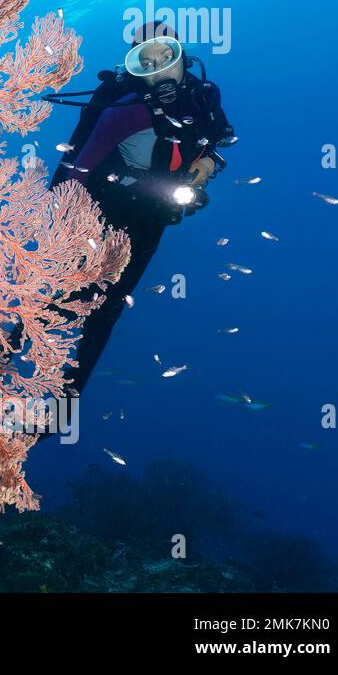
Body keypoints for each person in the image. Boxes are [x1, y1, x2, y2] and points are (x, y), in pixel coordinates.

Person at [44, 21, 236, 396]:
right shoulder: (125, 111)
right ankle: (8, 354)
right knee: (64, 291)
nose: (160, 68)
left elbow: (216, 142)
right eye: (145, 61)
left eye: (167, 55)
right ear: (133, 68)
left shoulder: (205, 97)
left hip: (153, 215)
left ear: (183, 55)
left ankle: (67, 399)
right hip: (105, 208)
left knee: (110, 307)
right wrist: (66, 223)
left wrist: (208, 165)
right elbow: (81, 166)